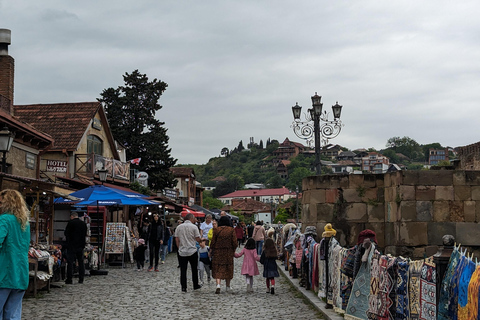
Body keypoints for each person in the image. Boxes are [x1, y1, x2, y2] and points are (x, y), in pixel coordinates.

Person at [0, 189, 30, 319]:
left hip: (5, 272)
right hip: (21, 272)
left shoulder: (5, 219)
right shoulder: (24, 223)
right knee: (13, 314)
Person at [175, 213, 203, 292]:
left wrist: (179, 247)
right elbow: (197, 239)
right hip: (192, 250)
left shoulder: (179, 227)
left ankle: (184, 287)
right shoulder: (194, 227)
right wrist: (201, 240)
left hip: (182, 251)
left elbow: (176, 239)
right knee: (194, 269)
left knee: (183, 270)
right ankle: (195, 285)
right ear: (191, 219)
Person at [210, 216, 237, 294]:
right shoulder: (231, 230)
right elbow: (235, 242)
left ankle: (218, 285)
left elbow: (213, 242)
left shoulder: (216, 230)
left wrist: (211, 251)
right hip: (228, 252)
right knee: (228, 267)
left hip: (218, 252)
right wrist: (233, 250)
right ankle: (228, 286)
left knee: (218, 267)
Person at [65, 211, 87, 284]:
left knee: (70, 262)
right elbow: (85, 234)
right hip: (80, 245)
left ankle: (69, 279)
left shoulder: (70, 223)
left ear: (72, 216)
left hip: (71, 245)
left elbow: (66, 233)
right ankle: (81, 279)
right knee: (81, 262)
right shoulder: (83, 224)